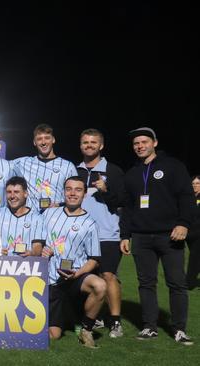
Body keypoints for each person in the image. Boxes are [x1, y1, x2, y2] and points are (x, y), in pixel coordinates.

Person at [119, 127, 194, 345]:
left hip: (170, 235)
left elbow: (186, 197)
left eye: (144, 142)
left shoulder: (173, 166)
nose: (140, 146)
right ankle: (149, 327)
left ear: (155, 143)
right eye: (136, 143)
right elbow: (128, 207)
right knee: (146, 283)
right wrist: (125, 235)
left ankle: (179, 329)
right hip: (141, 237)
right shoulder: (132, 172)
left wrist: (183, 223)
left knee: (176, 283)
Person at [41, 176, 106, 348]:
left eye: (78, 190)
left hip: (76, 278)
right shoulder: (49, 213)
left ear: (84, 194)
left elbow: (94, 260)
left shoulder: (90, 223)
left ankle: (86, 329)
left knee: (100, 285)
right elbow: (36, 240)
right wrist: (41, 249)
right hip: (51, 280)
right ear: (63, 192)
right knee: (53, 336)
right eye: (68, 189)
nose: (72, 193)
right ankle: (70, 320)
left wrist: (76, 273)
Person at [76, 128, 126, 337]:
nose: (89, 145)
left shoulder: (113, 170)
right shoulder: (74, 170)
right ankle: (93, 317)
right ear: (81, 145)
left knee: (108, 275)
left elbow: (123, 202)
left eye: (93, 142)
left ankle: (115, 322)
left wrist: (106, 191)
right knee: (87, 277)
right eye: (85, 142)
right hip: (80, 233)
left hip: (107, 233)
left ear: (101, 145)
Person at [12, 124, 77, 210]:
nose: (43, 142)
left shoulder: (67, 166)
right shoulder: (23, 162)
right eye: (39, 139)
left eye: (47, 138)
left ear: (53, 140)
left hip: (57, 216)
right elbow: (0, 165)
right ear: (34, 142)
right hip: (32, 218)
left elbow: (76, 194)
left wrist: (59, 205)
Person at [0, 176, 46, 257]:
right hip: (0, 264)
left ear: (25, 194)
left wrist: (32, 253)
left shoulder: (37, 218)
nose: (12, 196)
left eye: (16, 192)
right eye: (9, 192)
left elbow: (37, 247)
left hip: (24, 265)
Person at [187, 175, 200, 289]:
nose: (195, 185)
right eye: (193, 183)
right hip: (189, 233)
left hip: (198, 233)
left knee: (194, 257)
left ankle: (189, 282)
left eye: (197, 183)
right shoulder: (189, 198)